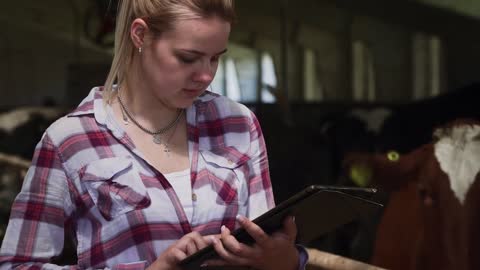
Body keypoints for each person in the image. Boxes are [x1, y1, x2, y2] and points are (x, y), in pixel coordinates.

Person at [0, 0, 307, 269]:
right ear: (140, 35)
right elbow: (18, 265)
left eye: (215, 58)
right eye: (188, 58)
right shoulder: (71, 140)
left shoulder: (238, 125)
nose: (206, 75)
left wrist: (284, 260)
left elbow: (264, 237)